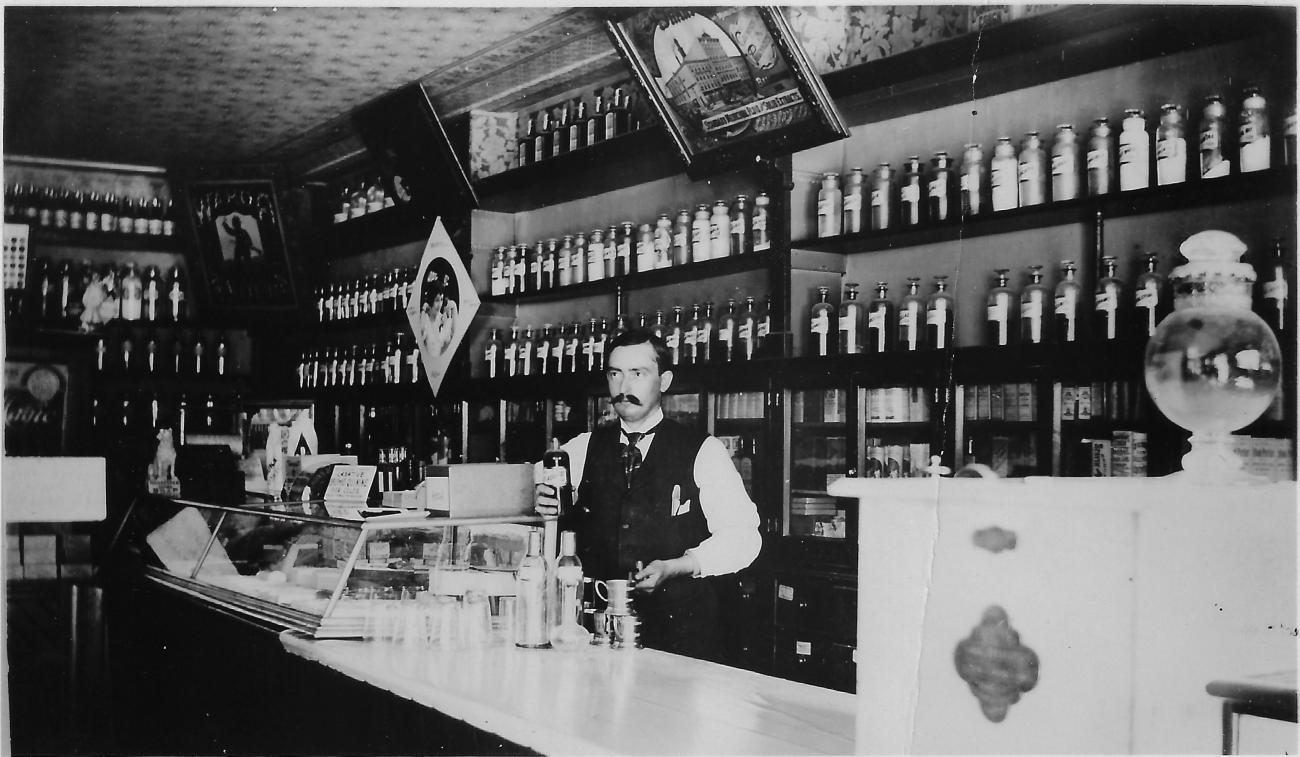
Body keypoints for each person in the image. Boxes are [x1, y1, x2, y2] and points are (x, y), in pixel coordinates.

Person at [535, 327, 761, 662]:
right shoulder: (582, 449)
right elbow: (531, 492)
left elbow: (744, 539)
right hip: (598, 633)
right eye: (615, 374)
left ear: (664, 381)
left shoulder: (703, 451)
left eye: (638, 374)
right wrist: (543, 502)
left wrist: (679, 566)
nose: (624, 388)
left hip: (680, 635)